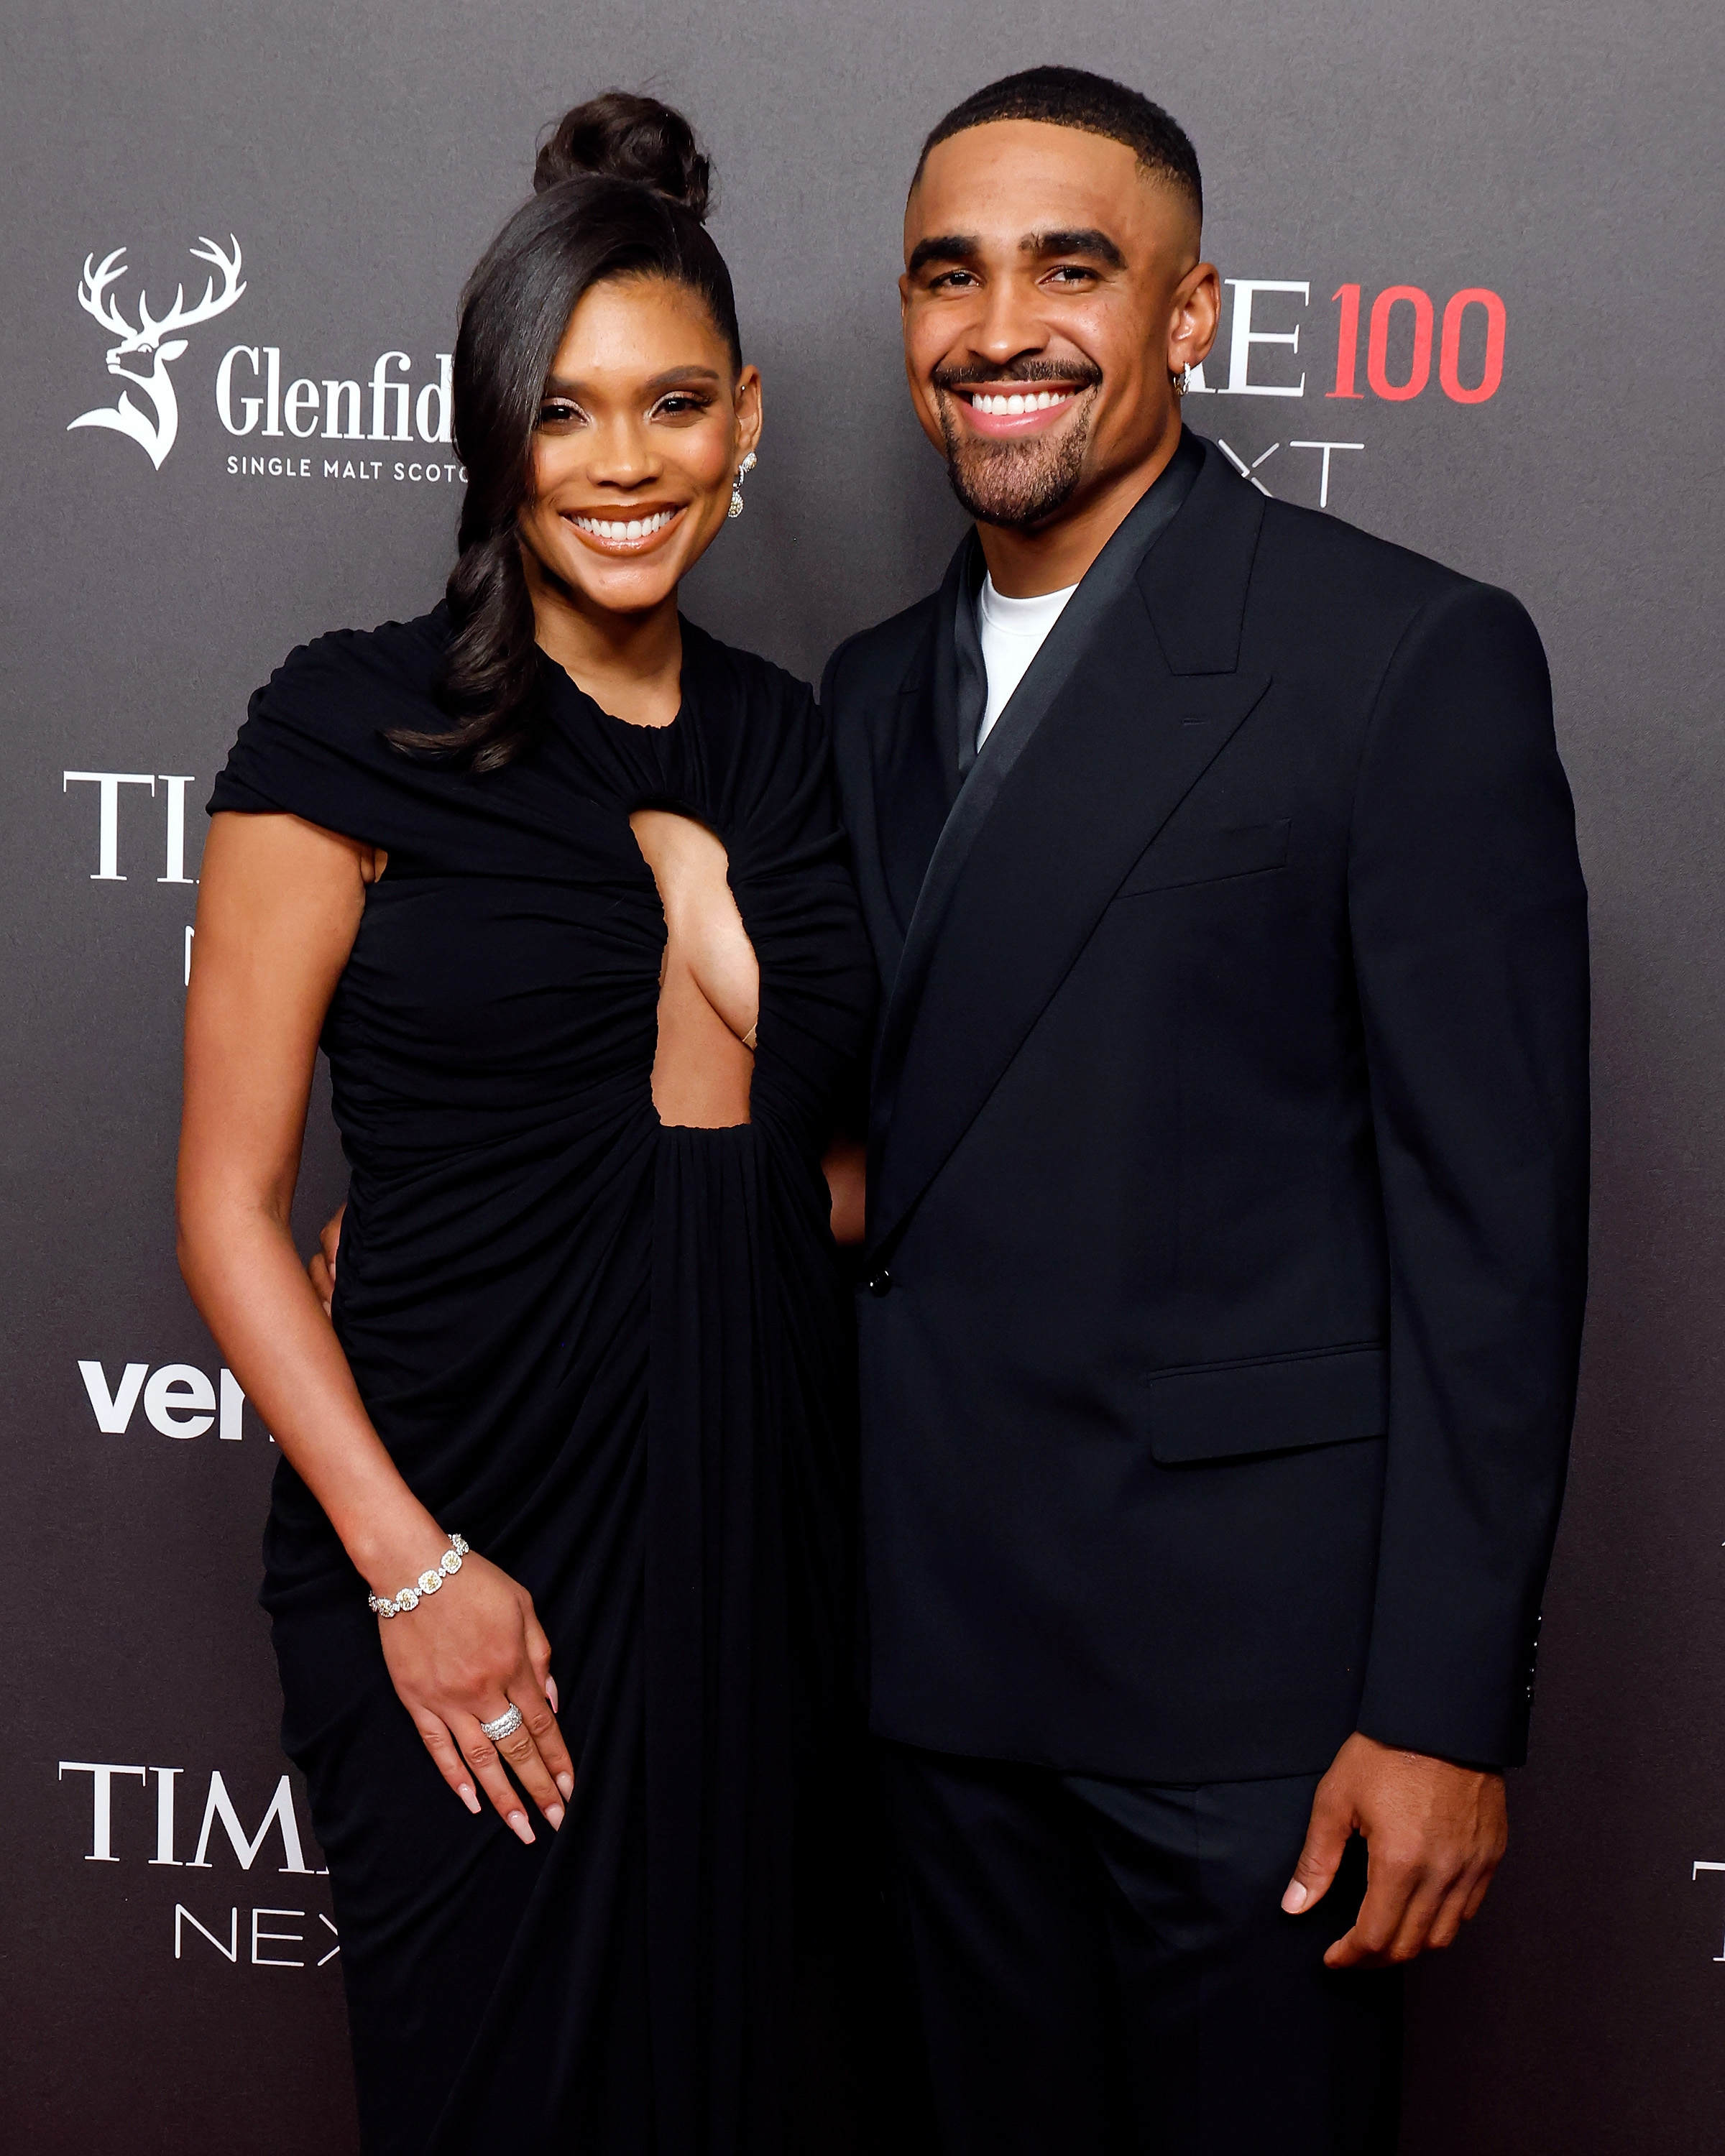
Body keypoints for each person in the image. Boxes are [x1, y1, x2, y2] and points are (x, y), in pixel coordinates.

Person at [821, 67, 1590, 2155]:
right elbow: (849, 1153)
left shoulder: (1397, 657)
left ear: (1190, 316)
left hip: (1252, 1709)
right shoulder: (864, 696)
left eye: (1073, 269)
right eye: (947, 275)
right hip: (933, 1678)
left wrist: (1440, 1710)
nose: (1001, 329)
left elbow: (1493, 1241)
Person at [177, 93, 878, 2156]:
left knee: (738, 2088)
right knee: (483, 2083)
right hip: (454, 1523)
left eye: (673, 406)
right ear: (495, 435)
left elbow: (818, 1158)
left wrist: (682, 879)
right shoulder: (345, 724)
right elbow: (228, 1210)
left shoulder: (785, 740)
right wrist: (415, 1575)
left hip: (747, 1521)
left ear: (745, 419)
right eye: (566, 415)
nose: (627, 465)